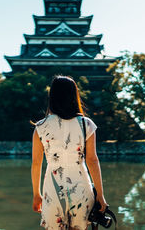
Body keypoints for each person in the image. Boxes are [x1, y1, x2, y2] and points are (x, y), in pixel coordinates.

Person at [31, 75, 108, 230]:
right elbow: (92, 160)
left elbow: (36, 163)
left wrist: (36, 194)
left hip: (52, 190)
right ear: (74, 96)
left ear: (52, 97)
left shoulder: (41, 127)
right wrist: (100, 194)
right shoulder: (86, 124)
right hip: (81, 189)